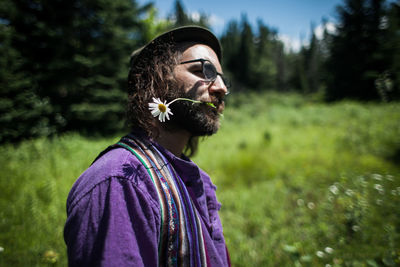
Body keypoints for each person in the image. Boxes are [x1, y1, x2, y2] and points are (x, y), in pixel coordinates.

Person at [64, 26, 231, 266]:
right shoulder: (119, 183)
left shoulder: (197, 180)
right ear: (155, 80)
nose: (221, 88)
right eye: (202, 70)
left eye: (222, 78)